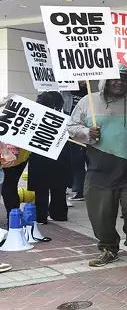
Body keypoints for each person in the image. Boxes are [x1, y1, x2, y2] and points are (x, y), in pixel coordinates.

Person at [67, 66, 127, 266]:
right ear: (105, 79)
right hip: (99, 169)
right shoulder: (87, 101)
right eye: (114, 78)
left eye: (124, 78)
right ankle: (108, 248)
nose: (119, 81)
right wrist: (87, 133)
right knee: (100, 213)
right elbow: (70, 127)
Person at [29, 92, 70, 224]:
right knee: (59, 187)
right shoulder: (65, 117)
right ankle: (59, 213)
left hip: (39, 156)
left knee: (41, 189)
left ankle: (40, 216)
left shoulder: (35, 116)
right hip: (60, 157)